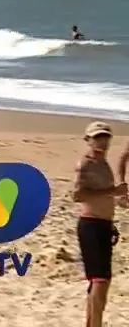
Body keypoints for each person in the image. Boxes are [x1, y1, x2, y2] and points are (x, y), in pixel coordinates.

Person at [78, 122, 127, 327]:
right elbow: (77, 195)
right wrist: (112, 193)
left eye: (105, 137)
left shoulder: (103, 164)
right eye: (97, 137)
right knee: (100, 281)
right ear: (88, 140)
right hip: (90, 225)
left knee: (101, 282)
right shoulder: (86, 164)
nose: (102, 141)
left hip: (103, 225)